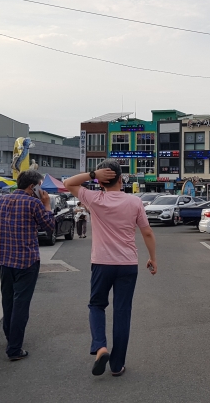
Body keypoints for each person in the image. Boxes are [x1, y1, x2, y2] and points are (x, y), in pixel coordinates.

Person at [64, 160, 157, 377]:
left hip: (102, 263)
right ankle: (116, 365)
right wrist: (153, 258)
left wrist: (92, 174)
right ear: (121, 179)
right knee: (122, 312)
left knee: (97, 305)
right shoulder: (134, 202)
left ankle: (100, 347)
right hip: (127, 264)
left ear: (100, 181)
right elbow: (147, 232)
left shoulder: (95, 198)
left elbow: (68, 183)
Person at [0, 170, 56, 362]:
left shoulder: (0, 201)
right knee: (21, 303)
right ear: (32, 187)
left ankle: (10, 337)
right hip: (27, 261)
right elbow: (49, 226)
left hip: (5, 260)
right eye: (39, 186)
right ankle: (14, 348)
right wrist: (47, 204)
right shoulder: (34, 203)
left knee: (8, 301)